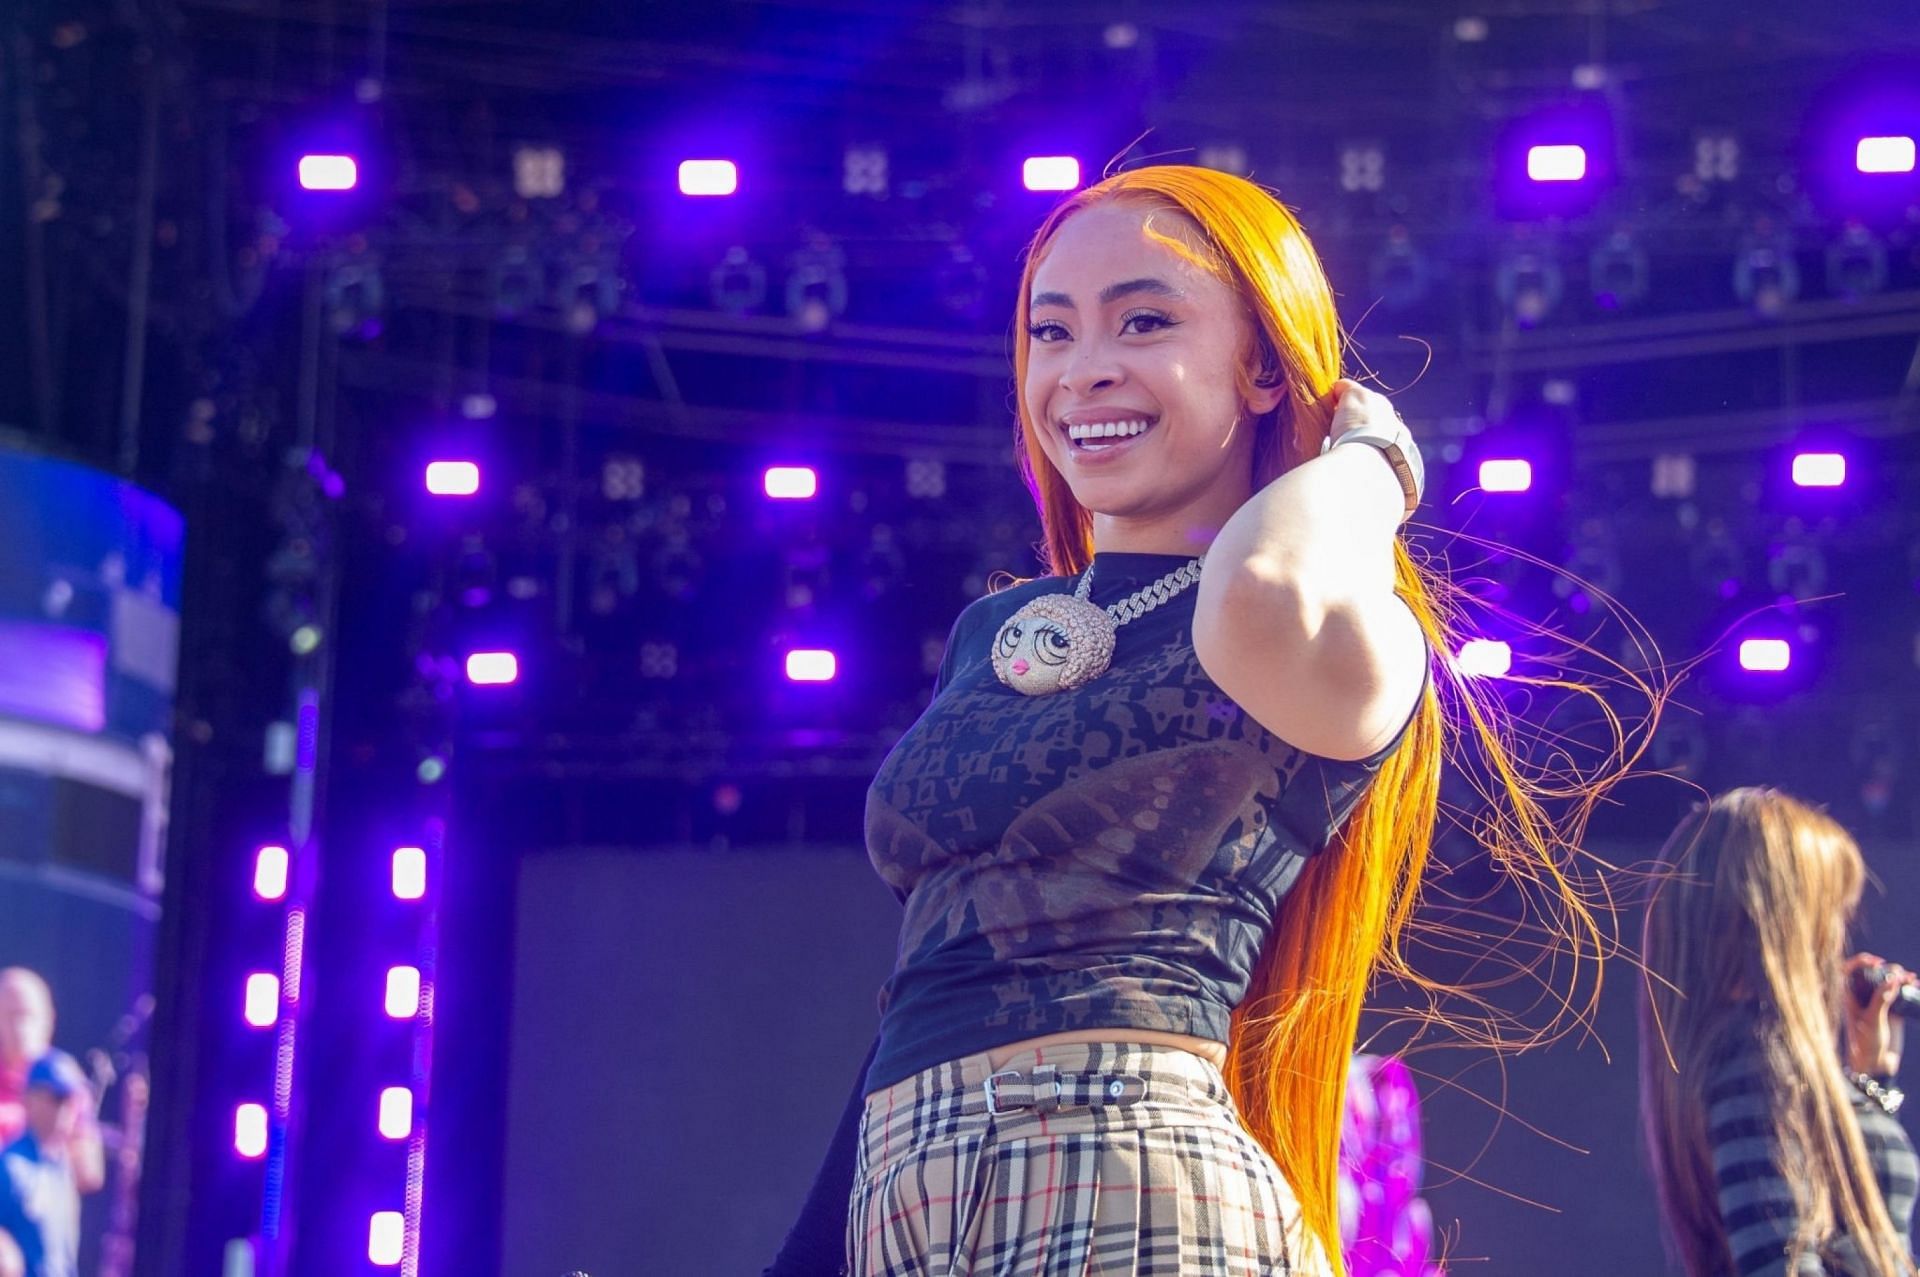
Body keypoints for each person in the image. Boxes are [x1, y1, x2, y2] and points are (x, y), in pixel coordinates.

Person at [766, 164, 1608, 1277]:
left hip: (1133, 1179)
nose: (1082, 371)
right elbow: (931, 981)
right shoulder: (996, 632)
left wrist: (1371, 460)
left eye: (1144, 320)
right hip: (908, 1190)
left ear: (1263, 366)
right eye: (1050, 331)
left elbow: (1258, 588)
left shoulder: (1341, 629)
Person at [1640, 788, 1919, 1276]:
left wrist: (1874, 1078)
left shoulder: (1761, 1066)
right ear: (1777, 922)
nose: (1838, 937)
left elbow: (1860, 1240)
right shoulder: (1752, 1064)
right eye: (1830, 913)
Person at [0, 973, 99, 1201]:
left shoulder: (66, 1080)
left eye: (29, 1016)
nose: (21, 1027)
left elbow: (90, 1174)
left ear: (49, 1020)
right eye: (11, 1016)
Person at [0, 1051, 92, 1277]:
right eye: (58, 1098)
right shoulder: (11, 1166)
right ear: (30, 1099)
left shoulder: (62, 1165)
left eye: (72, 1099)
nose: (67, 1108)